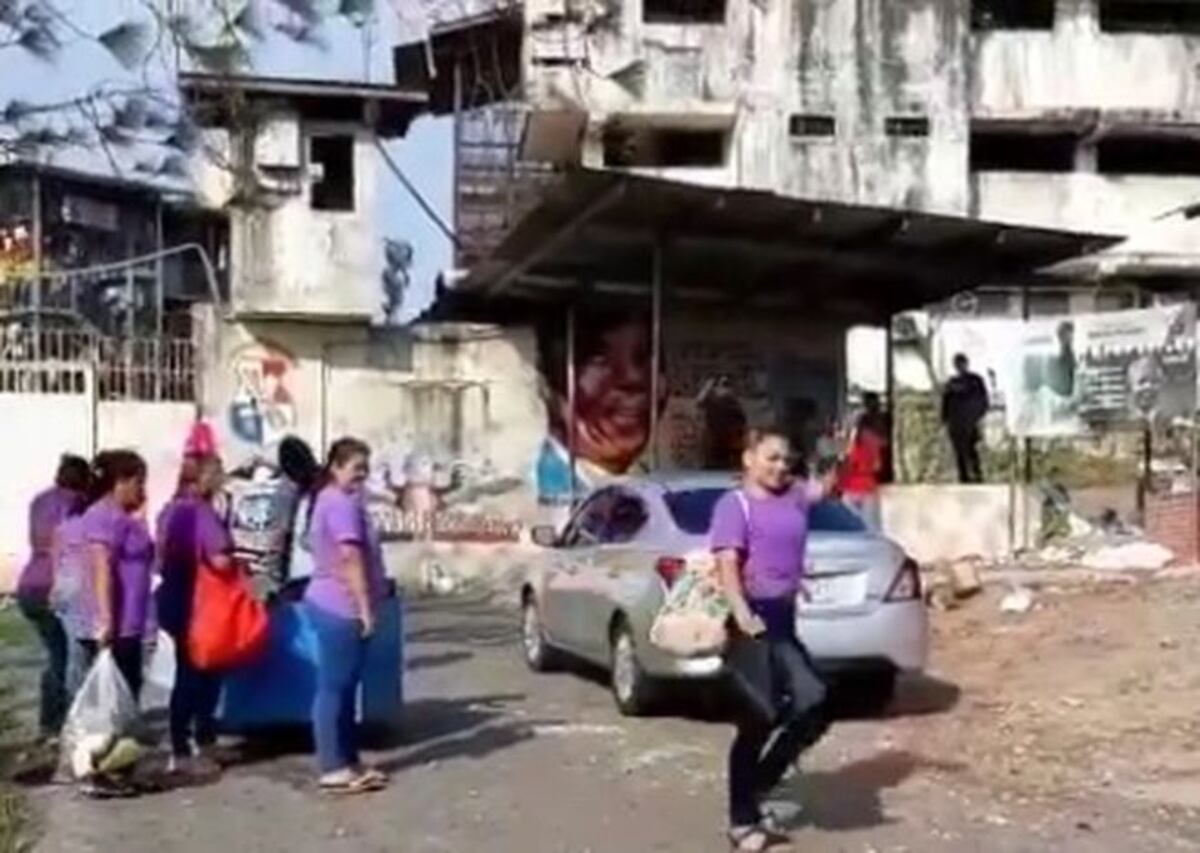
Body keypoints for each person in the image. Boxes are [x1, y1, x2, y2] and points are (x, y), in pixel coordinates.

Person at [712, 429, 833, 851]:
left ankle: (759, 784)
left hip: (783, 617)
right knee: (758, 718)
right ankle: (741, 821)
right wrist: (742, 613)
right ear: (748, 458)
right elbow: (728, 563)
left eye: (787, 459)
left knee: (814, 704)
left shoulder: (795, 495)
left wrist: (837, 446)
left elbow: (828, 487)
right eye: (771, 458)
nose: (781, 466)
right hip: (754, 619)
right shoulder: (735, 505)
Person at [304, 437, 389, 794]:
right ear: (336, 467)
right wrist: (365, 609)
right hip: (341, 606)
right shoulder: (339, 504)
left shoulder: (330, 499)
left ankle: (348, 759)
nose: (361, 476)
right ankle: (333, 766)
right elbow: (350, 559)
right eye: (356, 468)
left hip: (332, 601)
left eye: (365, 469)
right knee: (335, 687)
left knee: (345, 685)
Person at [156, 453, 234, 776]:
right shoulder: (202, 514)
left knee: (190, 671)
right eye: (217, 475)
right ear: (202, 478)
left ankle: (196, 739)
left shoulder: (169, 511)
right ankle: (188, 745)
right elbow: (220, 561)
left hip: (173, 597)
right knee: (200, 673)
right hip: (199, 603)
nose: (221, 481)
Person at [535, 310, 656, 505]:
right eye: (600, 360)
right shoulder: (553, 489)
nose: (634, 378)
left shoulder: (652, 484)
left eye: (643, 358)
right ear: (548, 385)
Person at [16, 455, 91, 740]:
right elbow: (63, 543)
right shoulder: (74, 504)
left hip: (30, 585)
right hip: (53, 587)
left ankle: (51, 722)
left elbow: (40, 539)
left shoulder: (40, 500)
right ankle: (58, 722)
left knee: (56, 655)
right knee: (66, 658)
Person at [79, 450, 153, 699]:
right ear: (120, 481)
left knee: (131, 683)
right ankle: (115, 734)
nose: (141, 488)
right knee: (118, 688)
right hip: (118, 621)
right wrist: (106, 619)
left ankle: (125, 732)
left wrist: (140, 518)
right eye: (138, 482)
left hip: (133, 620)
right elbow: (102, 569)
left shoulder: (125, 516)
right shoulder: (103, 516)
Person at [941, 354, 989, 484]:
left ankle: (977, 475)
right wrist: (945, 420)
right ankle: (964, 477)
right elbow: (945, 404)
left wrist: (977, 417)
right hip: (956, 423)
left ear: (967, 364)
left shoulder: (975, 381)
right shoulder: (951, 383)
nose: (960, 366)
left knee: (972, 449)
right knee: (959, 451)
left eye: (962, 363)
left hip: (970, 422)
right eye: (958, 364)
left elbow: (983, 401)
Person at [840, 424, 883, 529]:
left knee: (849, 522)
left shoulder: (849, 446)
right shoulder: (873, 444)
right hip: (867, 486)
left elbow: (845, 467)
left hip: (851, 488)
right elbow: (877, 466)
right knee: (871, 525)